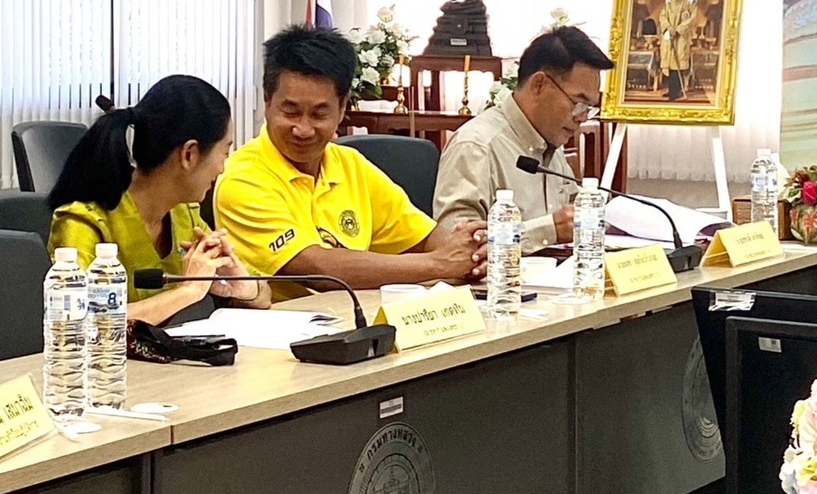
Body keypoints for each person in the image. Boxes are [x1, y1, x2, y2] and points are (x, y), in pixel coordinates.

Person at [216, 25, 487, 299]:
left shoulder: (350, 164)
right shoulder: (242, 178)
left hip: (359, 318)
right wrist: (439, 263)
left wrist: (472, 250)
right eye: (291, 112)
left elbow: (423, 237)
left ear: (342, 108)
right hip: (284, 324)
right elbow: (317, 269)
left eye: (319, 114)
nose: (304, 129)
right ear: (267, 101)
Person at [47, 76, 269, 324]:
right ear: (189, 154)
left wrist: (244, 287)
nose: (222, 168)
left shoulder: (184, 214)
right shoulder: (83, 221)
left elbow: (265, 296)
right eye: (224, 152)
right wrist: (189, 291)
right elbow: (81, 322)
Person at [433, 26, 613, 248]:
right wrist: (549, 231)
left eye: (589, 108)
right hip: (503, 272)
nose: (582, 117)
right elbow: (453, 245)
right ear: (539, 85)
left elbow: (572, 215)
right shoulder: (476, 145)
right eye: (578, 103)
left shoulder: (550, 141)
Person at [657, 0, 702, 101]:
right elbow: (662, 16)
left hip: (681, 37)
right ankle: (672, 89)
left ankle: (676, 91)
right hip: (669, 35)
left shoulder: (690, 3)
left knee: (678, 63)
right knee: (670, 64)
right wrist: (668, 27)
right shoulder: (669, 2)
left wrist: (677, 30)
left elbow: (691, 20)